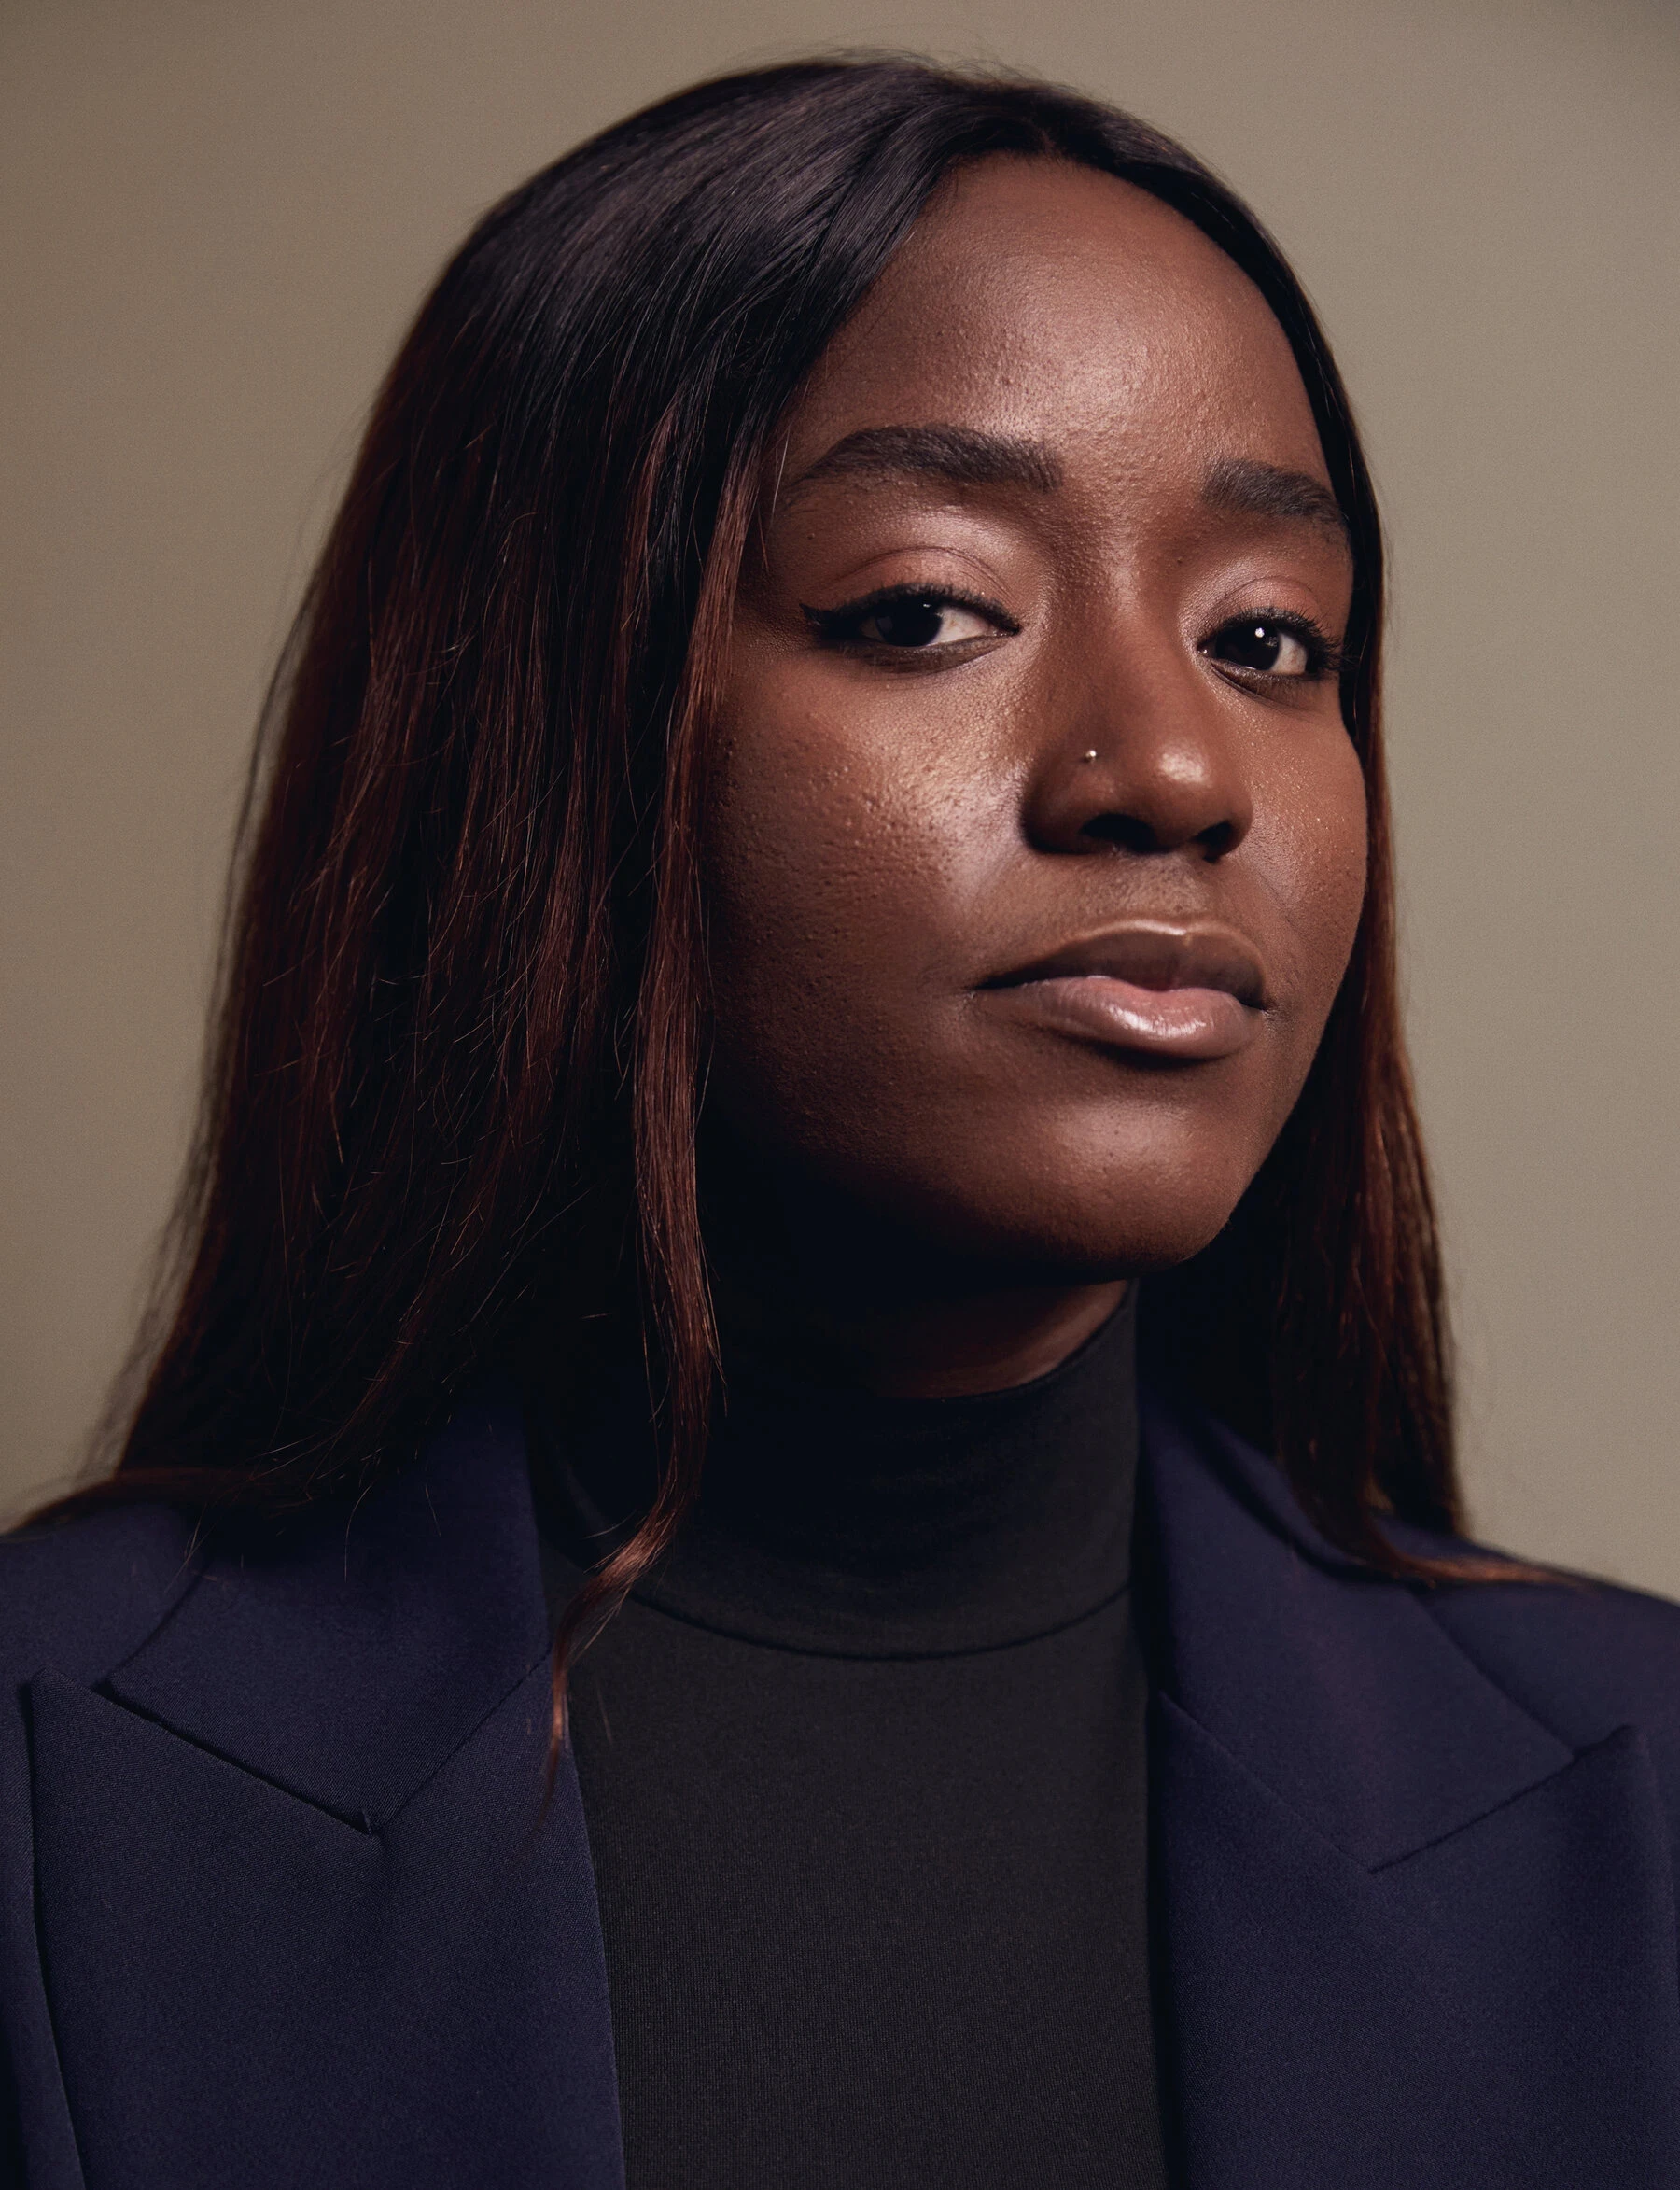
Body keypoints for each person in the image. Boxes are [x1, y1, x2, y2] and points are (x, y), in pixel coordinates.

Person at [3, 55, 1677, 2190]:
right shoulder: (52, 1797)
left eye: (1272, 637)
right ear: (535, 722)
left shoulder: (1642, 1802)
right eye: (923, 611)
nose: (1174, 768)